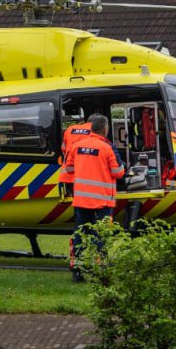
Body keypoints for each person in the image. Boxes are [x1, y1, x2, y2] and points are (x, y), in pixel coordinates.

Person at [63, 113, 124, 281]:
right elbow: (118, 173)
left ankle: (78, 271)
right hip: (102, 201)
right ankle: (100, 271)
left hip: (81, 200)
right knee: (101, 237)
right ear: (105, 129)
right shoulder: (107, 148)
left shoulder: (77, 145)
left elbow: (68, 169)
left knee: (80, 235)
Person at [58, 110, 94, 199]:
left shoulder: (70, 129)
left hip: (68, 174)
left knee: (78, 204)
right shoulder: (95, 131)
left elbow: (63, 148)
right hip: (87, 176)